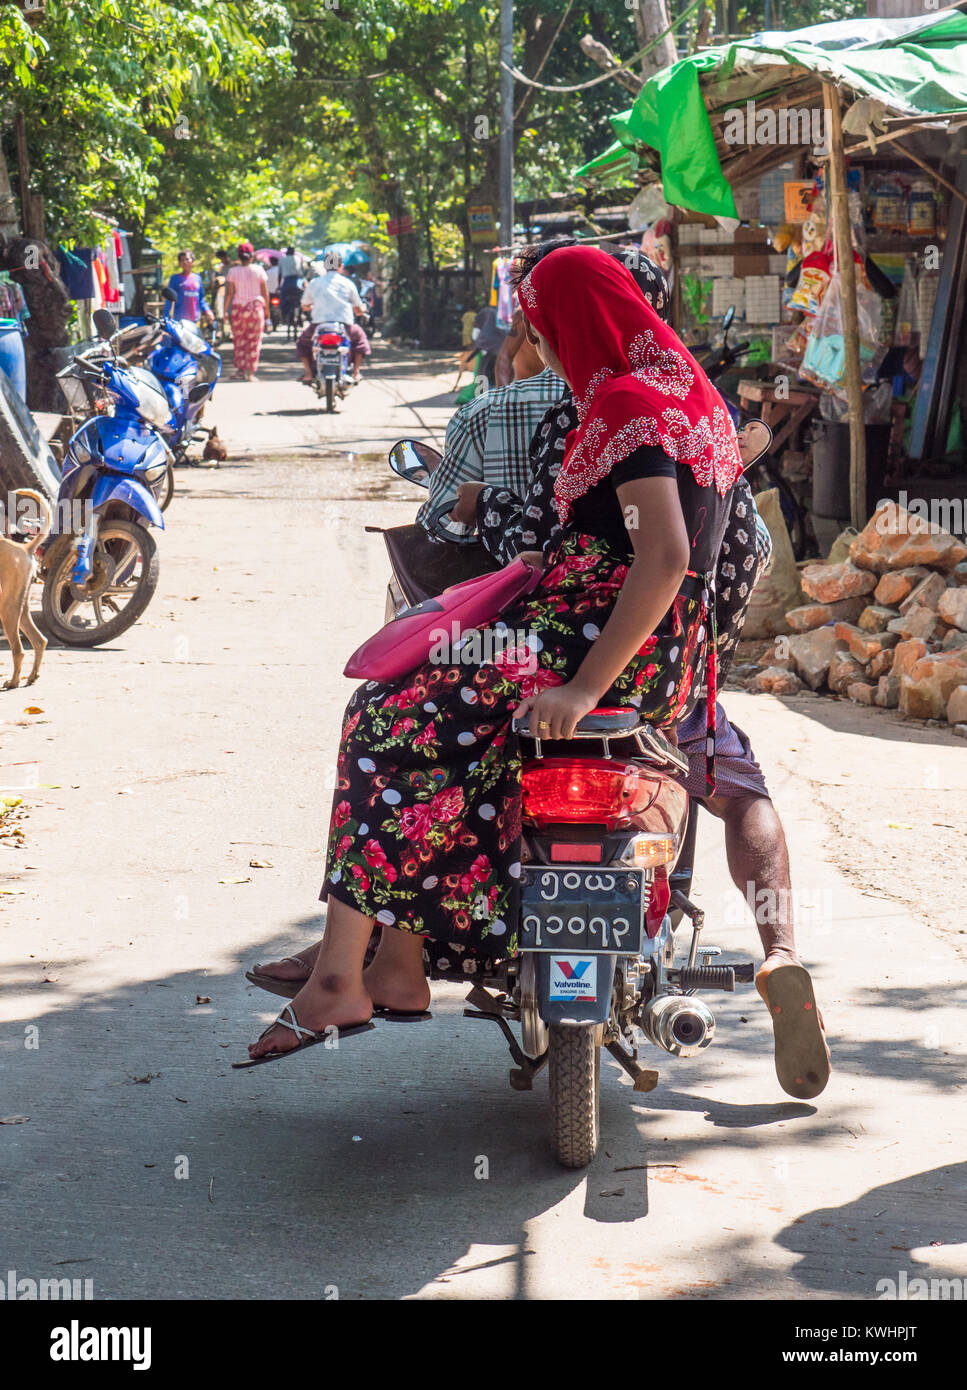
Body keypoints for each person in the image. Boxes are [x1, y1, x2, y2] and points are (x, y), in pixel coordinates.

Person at [243, 243, 746, 1064]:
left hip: (588, 641)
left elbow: (663, 553)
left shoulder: (625, 401)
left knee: (382, 714)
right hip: (650, 646)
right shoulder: (688, 394)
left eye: (542, 326)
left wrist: (584, 687)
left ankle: (340, 975)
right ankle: (399, 961)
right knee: (459, 749)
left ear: (572, 323)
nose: (539, 345)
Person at [297, 253, 370, 385]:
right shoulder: (347, 283)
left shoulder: (315, 283)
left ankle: (308, 373)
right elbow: (358, 308)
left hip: (319, 325)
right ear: (341, 267)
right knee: (360, 340)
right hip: (344, 325)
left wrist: (310, 306)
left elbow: (305, 305)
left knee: (303, 343)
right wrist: (362, 310)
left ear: (325, 266)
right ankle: (356, 372)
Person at [224, 241, 269, 381]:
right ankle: (251, 373)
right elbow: (265, 293)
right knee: (254, 341)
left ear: (239, 256)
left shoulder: (233, 271)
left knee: (239, 341)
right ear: (252, 256)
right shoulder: (259, 270)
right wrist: (267, 310)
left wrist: (225, 310)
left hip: (238, 310)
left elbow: (230, 293)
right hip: (255, 309)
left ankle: (240, 370)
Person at [494, 307, 546, 386]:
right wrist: (503, 395)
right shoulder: (526, 312)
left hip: (558, 390)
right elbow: (505, 356)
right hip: (526, 388)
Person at [165, 250, 211, 324]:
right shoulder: (175, 279)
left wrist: (207, 310)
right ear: (179, 263)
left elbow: (201, 299)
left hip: (195, 320)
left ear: (192, 261)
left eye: (187, 259)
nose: (185, 262)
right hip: (179, 320)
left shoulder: (197, 278)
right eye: (182, 260)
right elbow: (169, 300)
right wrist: (165, 318)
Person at [470, 304, 507, 386]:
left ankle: (484, 393)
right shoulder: (502, 317)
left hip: (487, 352)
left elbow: (474, 335)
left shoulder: (483, 315)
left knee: (482, 373)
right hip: (502, 351)